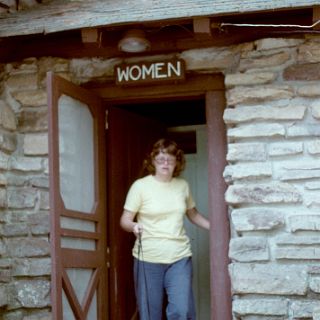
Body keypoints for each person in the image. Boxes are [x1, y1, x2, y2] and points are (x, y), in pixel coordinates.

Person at [120, 138, 210, 320]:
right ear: (153, 161)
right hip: (148, 259)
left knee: (181, 310)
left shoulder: (182, 186)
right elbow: (125, 220)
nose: (165, 163)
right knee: (149, 314)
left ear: (177, 162)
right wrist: (134, 226)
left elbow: (193, 214)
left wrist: (217, 228)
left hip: (179, 257)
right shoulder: (140, 186)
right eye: (160, 159)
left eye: (170, 159)